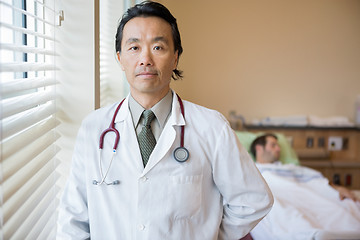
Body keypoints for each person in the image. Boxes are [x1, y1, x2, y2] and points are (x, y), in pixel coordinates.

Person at [56, 2, 273, 239]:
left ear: (176, 57)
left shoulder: (212, 127)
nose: (145, 59)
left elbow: (254, 200)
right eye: (134, 47)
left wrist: (211, 234)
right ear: (119, 58)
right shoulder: (94, 128)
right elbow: (73, 221)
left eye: (158, 47)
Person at [250, 133, 359, 202]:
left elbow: (315, 178)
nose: (278, 149)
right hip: (280, 200)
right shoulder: (253, 171)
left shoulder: (288, 168)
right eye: (273, 145)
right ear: (259, 148)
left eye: (278, 146)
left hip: (305, 197)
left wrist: (338, 188)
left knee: (350, 204)